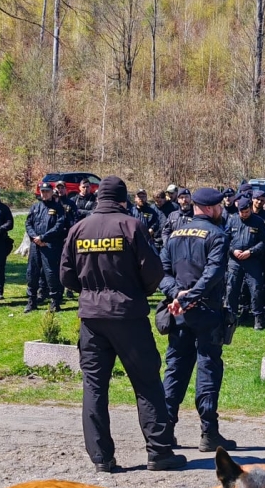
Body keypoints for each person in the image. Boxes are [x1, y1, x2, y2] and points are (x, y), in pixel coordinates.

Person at [59, 176, 182, 472]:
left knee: (94, 387)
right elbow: (152, 271)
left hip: (91, 319)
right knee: (147, 383)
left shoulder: (79, 229)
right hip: (128, 316)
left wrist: (91, 293)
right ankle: (159, 452)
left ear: (99, 197)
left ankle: (102, 458)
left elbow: (65, 274)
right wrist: (134, 291)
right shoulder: (131, 225)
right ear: (122, 199)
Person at [159, 187, 235, 452]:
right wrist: (190, 298)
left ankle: (165, 431)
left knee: (175, 371)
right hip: (206, 313)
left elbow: (162, 272)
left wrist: (177, 296)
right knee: (208, 370)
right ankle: (209, 433)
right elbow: (213, 273)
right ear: (213, 208)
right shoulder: (218, 235)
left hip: (178, 313)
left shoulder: (175, 234)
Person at [225, 195, 265, 330]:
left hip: (252, 260)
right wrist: (233, 251)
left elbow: (263, 242)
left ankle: (258, 318)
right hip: (235, 261)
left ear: (250, 209)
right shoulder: (232, 220)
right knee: (232, 288)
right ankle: (231, 316)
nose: (244, 215)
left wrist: (250, 252)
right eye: (242, 212)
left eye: (246, 212)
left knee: (256, 289)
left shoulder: (258, 221)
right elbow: (225, 240)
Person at [23, 184, 68, 313]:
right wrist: (35, 237)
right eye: (42, 192)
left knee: (51, 274)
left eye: (47, 192)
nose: (44, 194)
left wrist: (43, 237)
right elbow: (28, 223)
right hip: (35, 245)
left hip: (50, 245)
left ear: (51, 192)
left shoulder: (58, 208)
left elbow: (59, 226)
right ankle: (31, 301)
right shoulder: (35, 207)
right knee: (32, 273)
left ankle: (55, 301)